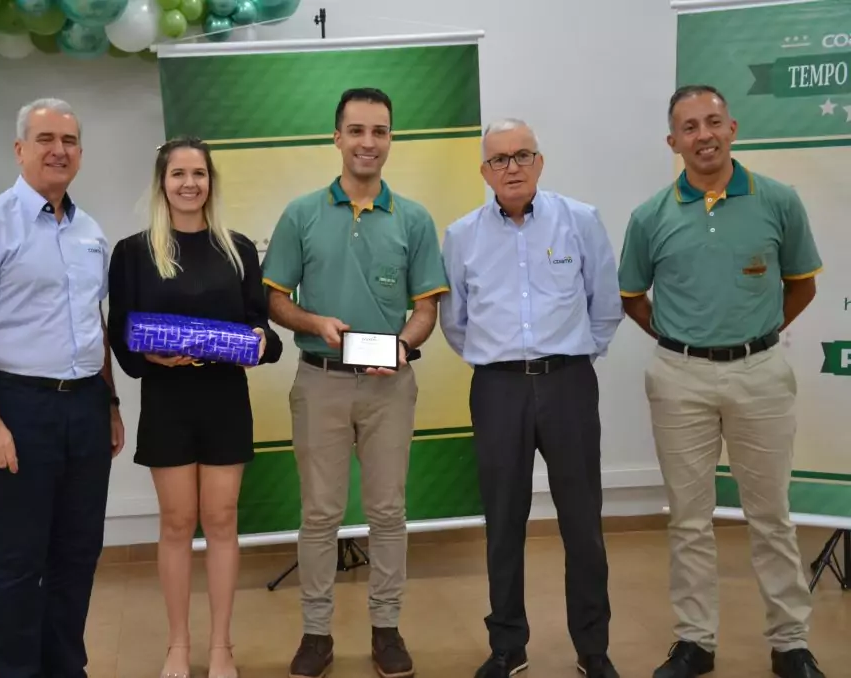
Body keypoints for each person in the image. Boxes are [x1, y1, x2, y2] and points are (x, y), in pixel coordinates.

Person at [618, 85, 826, 678]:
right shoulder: (650, 216)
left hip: (761, 374)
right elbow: (632, 296)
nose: (703, 135)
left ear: (733, 127)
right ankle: (695, 643)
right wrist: (682, 340)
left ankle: (791, 644)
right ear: (672, 141)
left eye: (713, 122)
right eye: (689, 127)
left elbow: (802, 284)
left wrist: (754, 336)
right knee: (688, 518)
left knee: (772, 516)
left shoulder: (777, 200)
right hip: (680, 377)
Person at [261, 87, 449, 678]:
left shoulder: (414, 218)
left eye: (380, 131)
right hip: (320, 381)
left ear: (390, 139)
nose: (369, 142)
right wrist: (312, 321)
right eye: (358, 131)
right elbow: (274, 299)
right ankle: (315, 634)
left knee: (388, 511)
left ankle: (386, 628)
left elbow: (426, 310)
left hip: (390, 385)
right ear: (337, 137)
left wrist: (406, 343)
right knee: (319, 514)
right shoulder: (301, 214)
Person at [0, 98, 125, 678]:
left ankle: (67, 668)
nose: (58, 150)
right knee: (19, 563)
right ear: (20, 149)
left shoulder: (90, 231)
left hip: (85, 410)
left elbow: (91, 323)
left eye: (69, 140)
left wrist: (111, 403)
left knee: (76, 555)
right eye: (45, 139)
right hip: (15, 409)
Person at [438, 118, 623, 678]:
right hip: (497, 389)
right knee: (504, 521)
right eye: (499, 160)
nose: (511, 168)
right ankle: (508, 646)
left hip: (568, 383)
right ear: (484, 171)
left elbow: (605, 304)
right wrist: (504, 362)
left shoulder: (580, 220)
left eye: (522, 156)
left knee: (582, 524)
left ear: (540, 163)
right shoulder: (461, 235)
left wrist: (569, 359)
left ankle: (593, 650)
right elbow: (456, 322)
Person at [106, 136, 283, 678]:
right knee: (178, 522)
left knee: (223, 520)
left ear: (211, 181)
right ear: (162, 182)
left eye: (199, 174)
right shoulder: (134, 252)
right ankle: (178, 646)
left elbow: (264, 329)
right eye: (179, 174)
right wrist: (148, 356)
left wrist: (259, 345)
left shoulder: (238, 249)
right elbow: (118, 334)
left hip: (225, 398)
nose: (190, 183)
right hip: (168, 402)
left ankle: (222, 647)